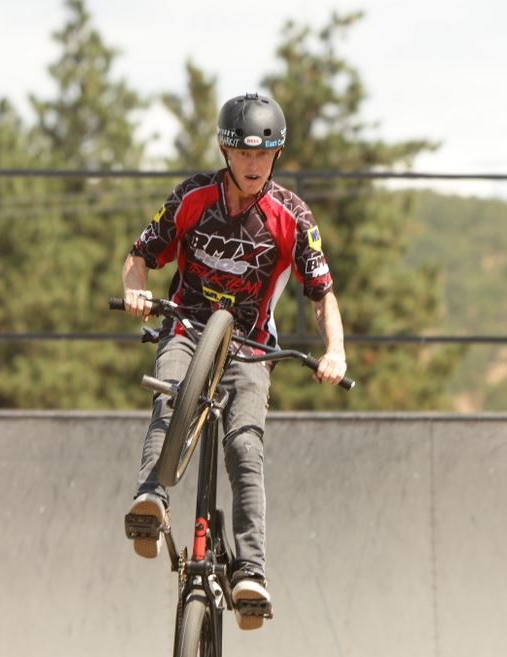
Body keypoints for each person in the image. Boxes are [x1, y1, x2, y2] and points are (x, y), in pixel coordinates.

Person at [122, 92, 347, 628]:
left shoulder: (293, 216)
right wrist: (135, 291)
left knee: (245, 445)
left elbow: (322, 296)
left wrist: (335, 351)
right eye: (243, 153)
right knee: (169, 397)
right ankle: (150, 501)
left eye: (262, 154)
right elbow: (139, 256)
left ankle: (251, 573)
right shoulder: (192, 197)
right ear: (226, 152)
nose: (252, 164)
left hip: (250, 345)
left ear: (276, 155)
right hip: (186, 325)